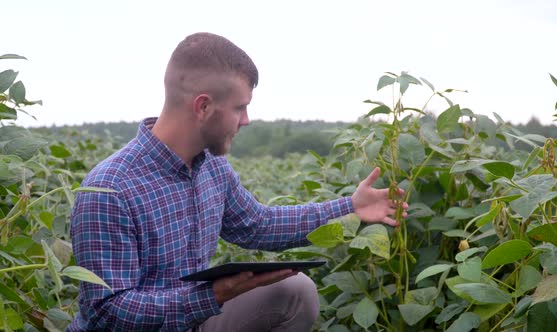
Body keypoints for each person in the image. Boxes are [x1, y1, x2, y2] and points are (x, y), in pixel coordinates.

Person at [68, 32, 407, 331]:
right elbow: (106, 313)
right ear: (203, 106)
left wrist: (351, 208)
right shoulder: (110, 188)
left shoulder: (212, 167)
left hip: (192, 321)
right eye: (240, 108)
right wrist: (212, 295)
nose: (246, 120)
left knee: (295, 292)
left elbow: (259, 224)